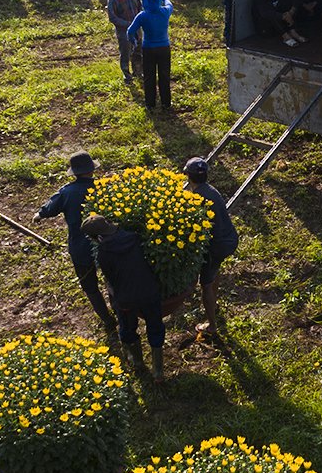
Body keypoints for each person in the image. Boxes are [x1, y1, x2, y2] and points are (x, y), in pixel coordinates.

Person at [33, 151, 118, 334]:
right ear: (91, 170)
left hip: (80, 248)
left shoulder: (66, 192)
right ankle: (119, 313)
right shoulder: (102, 188)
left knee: (90, 286)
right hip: (106, 244)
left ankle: (107, 320)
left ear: (75, 172)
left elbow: (49, 208)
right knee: (112, 280)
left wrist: (39, 214)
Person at [81, 214, 167, 382]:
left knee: (127, 328)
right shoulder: (134, 238)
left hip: (126, 298)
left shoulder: (104, 254)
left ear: (98, 237)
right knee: (155, 325)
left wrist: (115, 296)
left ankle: (137, 362)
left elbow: (111, 280)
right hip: (149, 291)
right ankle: (158, 370)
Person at [183, 157, 239, 340]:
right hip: (230, 239)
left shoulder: (197, 198)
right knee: (214, 271)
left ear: (187, 176)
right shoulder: (211, 191)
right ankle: (214, 304)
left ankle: (212, 325)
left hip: (216, 247)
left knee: (205, 284)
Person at [127, 0, 174, 110]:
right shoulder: (164, 12)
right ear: (157, 0)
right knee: (164, 75)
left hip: (148, 49)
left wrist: (134, 41)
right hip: (164, 48)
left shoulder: (142, 16)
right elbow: (170, 4)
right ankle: (166, 103)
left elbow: (130, 31)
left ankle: (150, 104)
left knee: (149, 76)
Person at [106, 0, 142, 84]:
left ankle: (138, 71)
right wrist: (129, 25)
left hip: (137, 29)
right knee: (125, 52)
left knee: (138, 50)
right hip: (123, 31)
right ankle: (127, 75)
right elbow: (113, 18)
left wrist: (139, 22)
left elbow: (140, 7)